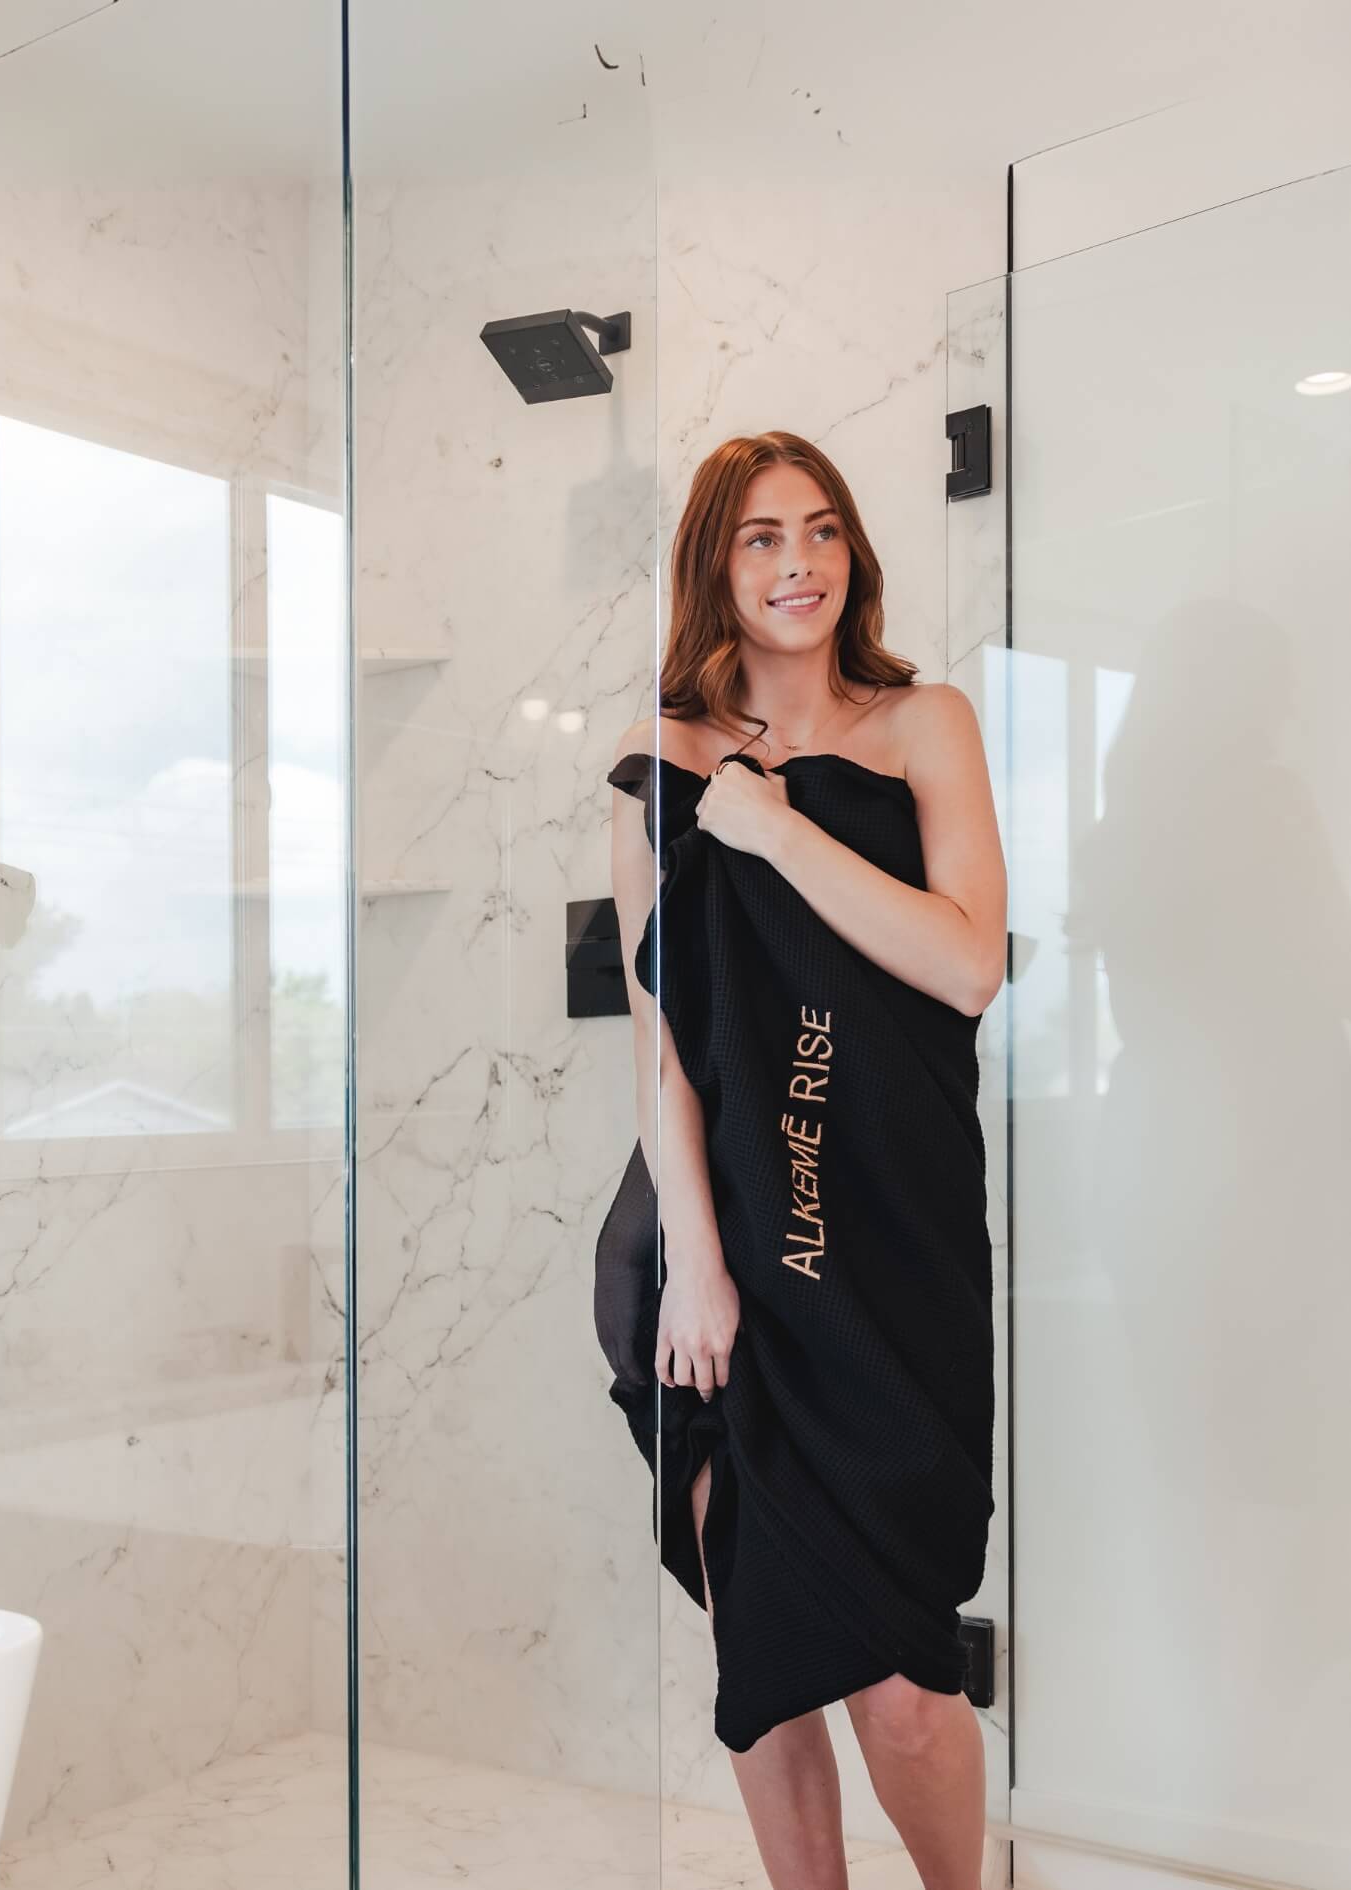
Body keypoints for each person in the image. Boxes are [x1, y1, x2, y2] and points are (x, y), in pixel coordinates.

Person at [600, 429, 1006, 1890]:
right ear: (714, 564)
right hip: (717, 1255)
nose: (799, 565)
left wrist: (772, 833)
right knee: (763, 1646)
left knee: (902, 1678)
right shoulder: (655, 769)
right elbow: (660, 1052)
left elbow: (965, 966)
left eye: (822, 531)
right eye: (763, 537)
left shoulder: (921, 726)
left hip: (892, 1249)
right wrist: (695, 1270)